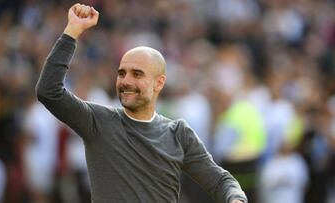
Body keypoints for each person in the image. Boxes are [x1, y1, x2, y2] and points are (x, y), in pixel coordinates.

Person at [35, 3, 247, 203]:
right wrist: (72, 31)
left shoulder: (179, 134)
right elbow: (49, 91)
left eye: (137, 74)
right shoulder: (98, 121)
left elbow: (221, 181)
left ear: (159, 82)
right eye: (122, 73)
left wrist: (235, 198)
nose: (126, 81)